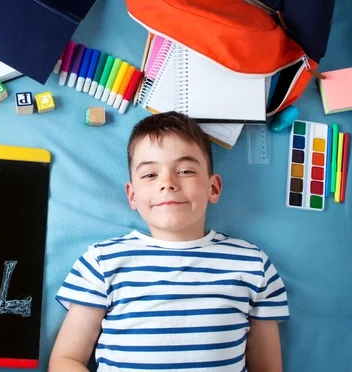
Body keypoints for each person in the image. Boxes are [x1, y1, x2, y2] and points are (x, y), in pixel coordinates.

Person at [49, 112, 289, 372]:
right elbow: (67, 359)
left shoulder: (252, 264)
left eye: (185, 170)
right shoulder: (102, 261)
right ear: (132, 196)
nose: (167, 183)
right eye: (150, 175)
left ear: (213, 188)